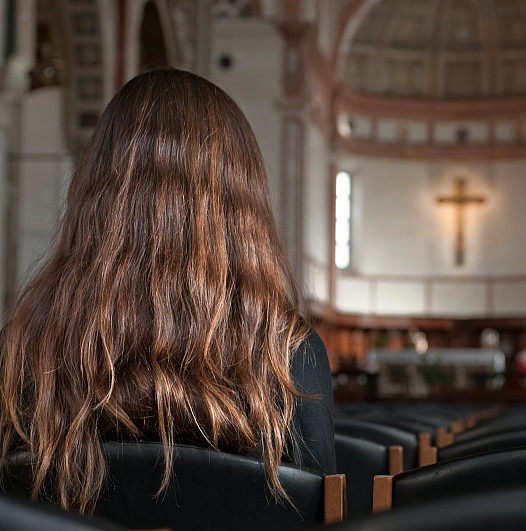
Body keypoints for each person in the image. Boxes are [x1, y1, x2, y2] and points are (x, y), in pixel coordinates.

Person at [0, 68, 334, 513]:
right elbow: (324, 513)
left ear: (95, 189)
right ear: (244, 205)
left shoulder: (21, 351)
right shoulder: (292, 356)